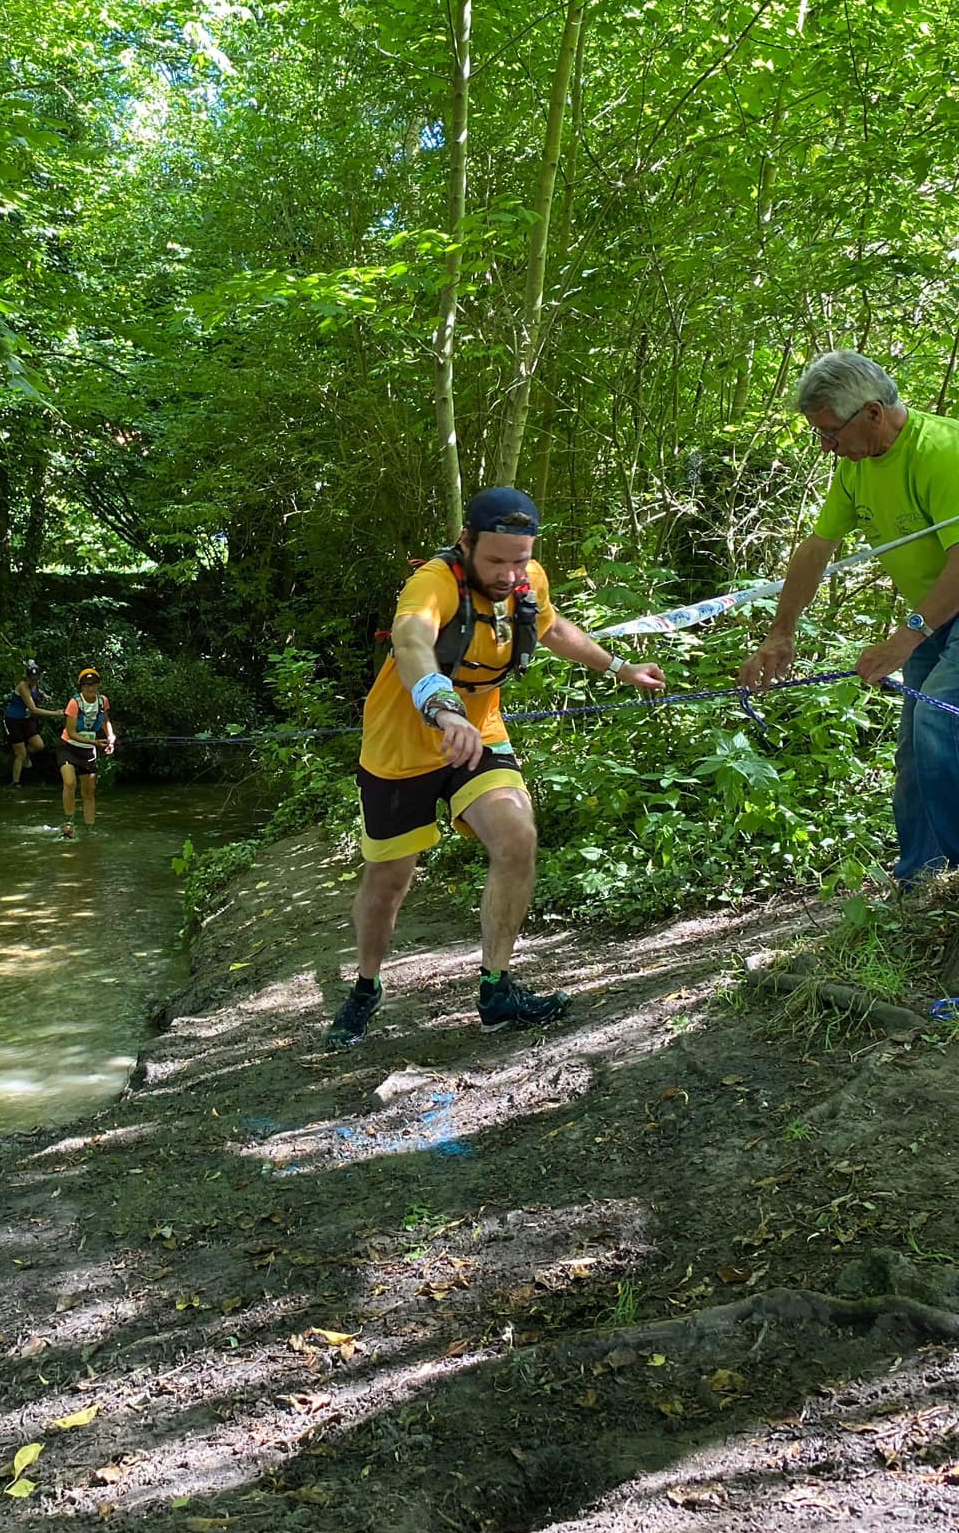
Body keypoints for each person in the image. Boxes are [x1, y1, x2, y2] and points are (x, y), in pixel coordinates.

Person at [330, 488, 668, 1045]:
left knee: (516, 837)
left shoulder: (526, 576)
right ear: (466, 543)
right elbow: (413, 641)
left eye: (520, 559)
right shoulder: (432, 583)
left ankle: (497, 987)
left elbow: (554, 629)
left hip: (479, 736)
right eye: (496, 560)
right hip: (400, 747)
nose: (511, 573)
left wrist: (621, 667)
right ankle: (366, 986)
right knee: (388, 882)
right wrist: (442, 707)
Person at [739, 351, 959, 886]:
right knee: (913, 748)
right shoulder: (854, 470)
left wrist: (906, 638)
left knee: (939, 722)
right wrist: (780, 632)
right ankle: (920, 880)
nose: (826, 447)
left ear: (874, 413)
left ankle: (953, 884)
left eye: (831, 434)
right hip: (934, 618)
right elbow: (817, 547)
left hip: (936, 616)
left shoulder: (943, 453)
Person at [58, 667, 115, 837]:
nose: (90, 688)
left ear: (98, 685)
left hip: (88, 751)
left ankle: (90, 830)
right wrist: (95, 742)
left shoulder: (102, 701)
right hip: (69, 747)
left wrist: (111, 736)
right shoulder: (74, 703)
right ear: (81, 687)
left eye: (93, 684)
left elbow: (105, 720)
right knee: (69, 782)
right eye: (86, 685)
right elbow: (72, 732)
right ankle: (69, 823)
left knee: (89, 792)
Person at [4, 660, 62, 781]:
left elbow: (36, 690)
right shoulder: (23, 686)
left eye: (35, 678)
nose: (33, 681)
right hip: (13, 720)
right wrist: (55, 713)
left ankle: (22, 753)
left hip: (25, 719)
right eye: (31, 678)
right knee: (21, 754)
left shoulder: (35, 684)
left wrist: (44, 695)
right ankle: (16, 782)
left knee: (38, 745)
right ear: (27, 676)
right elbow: (33, 709)